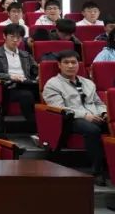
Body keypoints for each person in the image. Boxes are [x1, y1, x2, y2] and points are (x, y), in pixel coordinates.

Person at [42, 51, 109, 185]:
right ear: (59, 65)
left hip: (95, 116)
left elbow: (98, 103)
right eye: (66, 63)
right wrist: (85, 115)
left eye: (74, 62)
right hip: (70, 119)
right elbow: (59, 108)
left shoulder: (88, 83)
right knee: (92, 130)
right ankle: (97, 171)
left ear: (79, 64)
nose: (70, 66)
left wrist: (104, 113)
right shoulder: (52, 84)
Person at [0, 24, 38, 131]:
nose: (15, 40)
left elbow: (35, 70)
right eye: (12, 37)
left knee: (43, 91)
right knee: (27, 95)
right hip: (7, 87)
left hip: (26, 83)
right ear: (4, 36)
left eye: (18, 37)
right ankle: (34, 127)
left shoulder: (25, 55)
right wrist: (9, 76)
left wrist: (39, 76)